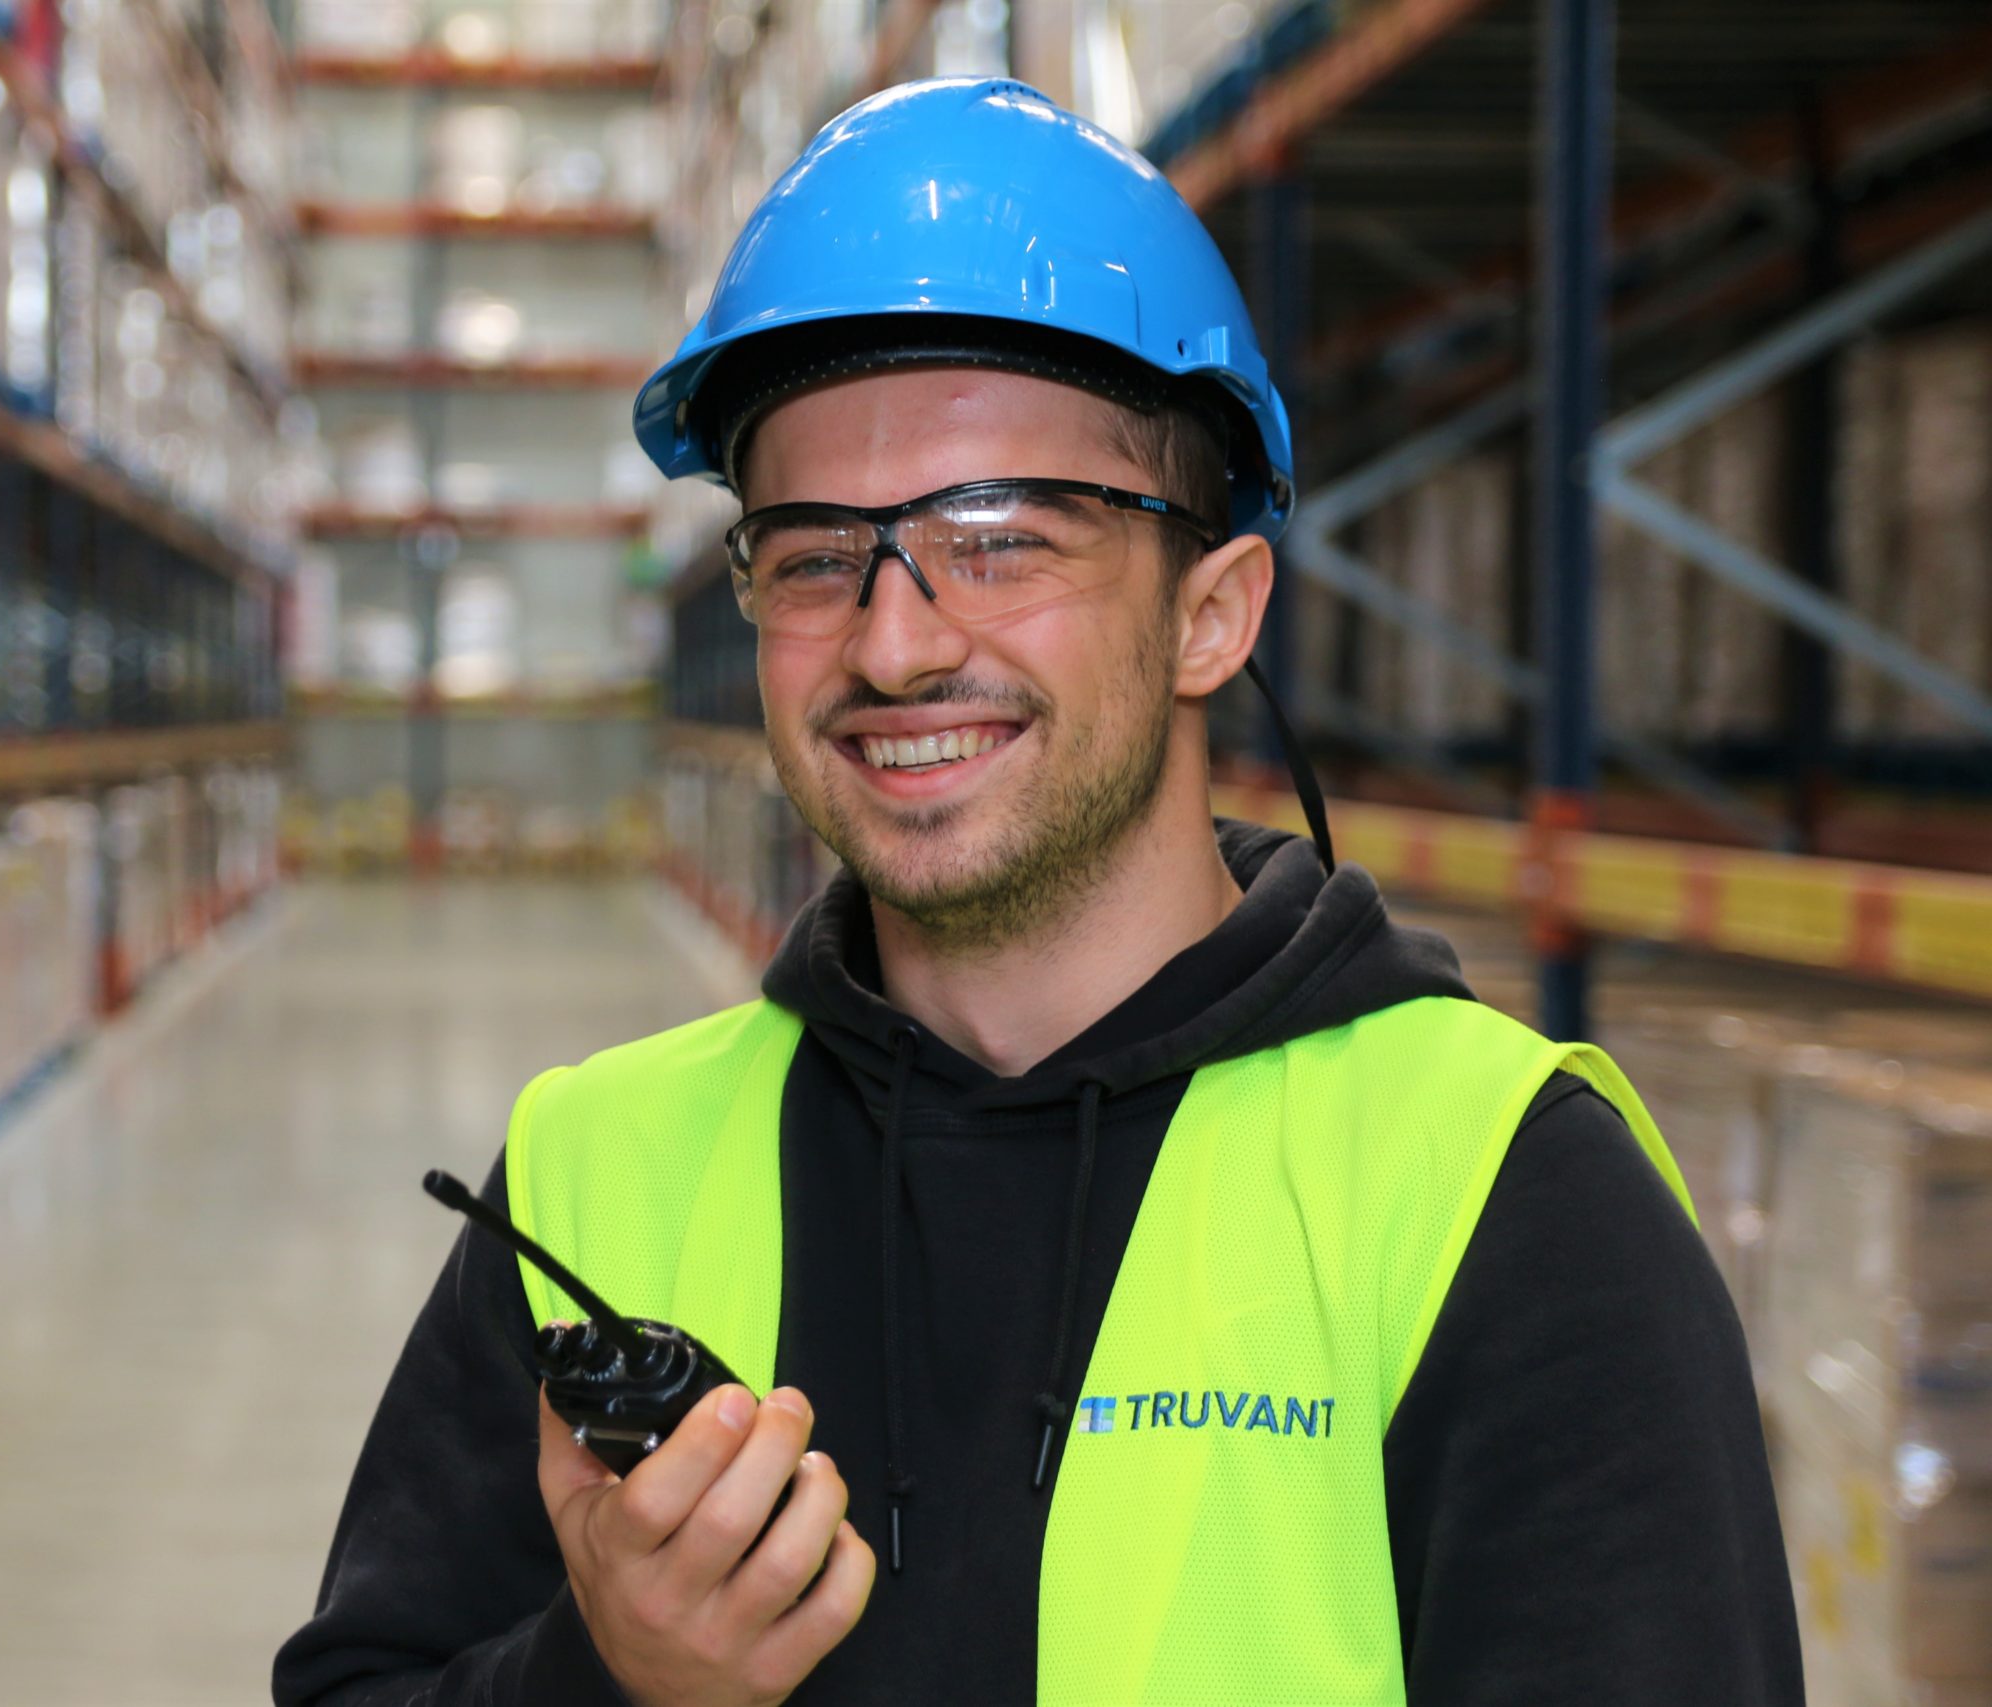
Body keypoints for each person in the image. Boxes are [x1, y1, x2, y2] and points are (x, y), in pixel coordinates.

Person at [275, 79, 1801, 1707]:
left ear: (1214, 613)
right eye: (810, 553)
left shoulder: (1495, 1203)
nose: (893, 642)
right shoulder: (594, 1182)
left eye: (998, 537)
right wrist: (604, 1676)